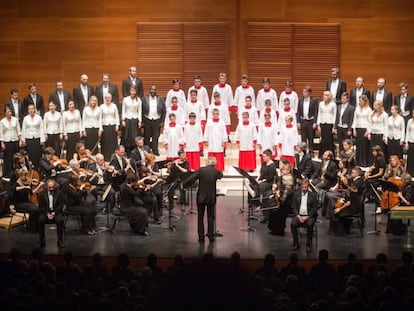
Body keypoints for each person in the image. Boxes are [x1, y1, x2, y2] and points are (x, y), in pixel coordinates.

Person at [183, 157, 223, 243]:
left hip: (201, 197)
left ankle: (201, 237)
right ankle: (211, 236)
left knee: (200, 217)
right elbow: (221, 176)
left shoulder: (201, 170)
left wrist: (185, 184)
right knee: (211, 217)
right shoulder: (216, 171)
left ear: (208, 162)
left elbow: (192, 178)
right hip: (211, 197)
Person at [268, 159, 295, 236]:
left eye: (283, 170)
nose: (281, 171)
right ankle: (275, 229)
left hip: (287, 203)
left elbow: (286, 193)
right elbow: (281, 189)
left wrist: (280, 201)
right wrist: (275, 191)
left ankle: (279, 230)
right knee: (273, 209)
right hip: (283, 200)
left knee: (277, 212)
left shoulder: (288, 178)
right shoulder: (284, 177)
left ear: (287, 171)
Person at [291, 178, 318, 252]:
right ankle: (296, 243)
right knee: (293, 224)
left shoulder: (313, 195)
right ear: (301, 186)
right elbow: (294, 206)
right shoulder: (296, 194)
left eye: (306, 187)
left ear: (308, 186)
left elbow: (314, 208)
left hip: (309, 216)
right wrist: (298, 216)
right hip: (299, 215)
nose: (304, 188)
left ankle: (308, 244)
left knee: (310, 224)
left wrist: (308, 216)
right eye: (303, 187)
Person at [10, 168, 41, 233]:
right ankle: (31, 228)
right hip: (19, 204)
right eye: (24, 175)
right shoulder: (16, 184)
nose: (26, 177)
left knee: (37, 208)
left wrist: (39, 185)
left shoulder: (25, 183)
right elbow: (14, 189)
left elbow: (32, 193)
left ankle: (36, 227)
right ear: (20, 176)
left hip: (27, 202)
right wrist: (24, 187)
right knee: (33, 209)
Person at [38, 179, 66, 248]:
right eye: (49, 187)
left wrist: (53, 213)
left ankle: (60, 240)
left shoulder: (59, 193)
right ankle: (41, 240)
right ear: (46, 187)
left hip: (56, 211)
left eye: (52, 187)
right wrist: (47, 214)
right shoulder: (41, 194)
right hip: (46, 212)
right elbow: (41, 207)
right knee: (40, 220)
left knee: (60, 220)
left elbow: (60, 205)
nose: (51, 189)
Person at [142, 85, 166, 156]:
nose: (153, 91)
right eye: (152, 89)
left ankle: (155, 150)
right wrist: (142, 121)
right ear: (149, 90)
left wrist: (162, 121)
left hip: (157, 120)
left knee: (155, 136)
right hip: (147, 120)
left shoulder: (160, 99)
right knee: (147, 136)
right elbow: (141, 111)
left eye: (154, 89)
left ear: (156, 91)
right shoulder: (144, 99)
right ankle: (147, 151)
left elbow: (164, 111)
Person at [255, 149, 277, 223]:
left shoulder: (272, 166)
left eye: (264, 156)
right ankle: (255, 203)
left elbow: (270, 177)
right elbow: (261, 173)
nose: (263, 158)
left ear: (269, 157)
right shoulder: (263, 163)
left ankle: (261, 206)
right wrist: (257, 179)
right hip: (263, 180)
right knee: (252, 184)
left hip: (269, 182)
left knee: (260, 186)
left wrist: (261, 181)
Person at [21, 103, 45, 169]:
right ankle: (30, 170)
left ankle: (37, 169)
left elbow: (42, 129)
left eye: (32, 109)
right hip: (29, 139)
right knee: (30, 155)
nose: (31, 110)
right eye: (29, 109)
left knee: (37, 155)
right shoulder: (25, 118)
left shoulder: (39, 117)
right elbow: (23, 129)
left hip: (37, 138)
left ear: (34, 110)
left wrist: (42, 139)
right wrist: (23, 140)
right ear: (28, 110)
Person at [297, 85, 318, 156]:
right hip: (303, 120)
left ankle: (311, 151)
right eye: (303, 92)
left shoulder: (314, 100)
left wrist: (315, 122)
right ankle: (304, 151)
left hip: (310, 121)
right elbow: (298, 111)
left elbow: (316, 112)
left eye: (305, 92)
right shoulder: (300, 100)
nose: (304, 93)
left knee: (310, 137)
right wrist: (298, 122)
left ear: (309, 93)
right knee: (303, 137)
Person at [0, 106, 21, 177]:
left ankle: (16, 173)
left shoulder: (15, 119)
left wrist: (20, 139)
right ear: (5, 113)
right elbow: (1, 133)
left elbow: (18, 130)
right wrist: (2, 143)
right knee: (8, 158)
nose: (9, 113)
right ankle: (7, 174)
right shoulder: (2, 121)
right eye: (8, 112)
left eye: (10, 112)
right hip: (7, 141)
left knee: (15, 158)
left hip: (15, 140)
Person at [352, 94, 372, 167]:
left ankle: (364, 162)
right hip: (358, 128)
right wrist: (354, 129)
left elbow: (370, 121)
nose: (359, 102)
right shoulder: (357, 108)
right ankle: (358, 162)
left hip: (365, 129)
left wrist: (368, 131)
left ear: (365, 101)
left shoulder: (369, 109)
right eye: (359, 101)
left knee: (364, 146)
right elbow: (355, 119)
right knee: (358, 145)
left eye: (360, 101)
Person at [121, 85, 142, 154]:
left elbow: (139, 111)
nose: (133, 92)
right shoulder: (125, 99)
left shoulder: (138, 100)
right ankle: (127, 151)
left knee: (134, 136)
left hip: (135, 120)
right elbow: (123, 110)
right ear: (129, 91)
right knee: (127, 136)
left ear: (136, 92)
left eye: (134, 91)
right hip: (127, 119)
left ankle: (134, 152)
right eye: (131, 90)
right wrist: (123, 120)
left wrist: (140, 121)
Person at [100, 93, 120, 160]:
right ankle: (106, 157)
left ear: (111, 98)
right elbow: (100, 118)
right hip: (105, 126)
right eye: (106, 97)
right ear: (104, 98)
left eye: (109, 97)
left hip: (113, 126)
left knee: (113, 143)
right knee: (105, 142)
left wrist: (117, 125)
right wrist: (100, 128)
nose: (108, 99)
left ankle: (114, 157)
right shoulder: (101, 106)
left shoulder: (114, 106)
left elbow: (117, 116)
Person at [317, 91, 337, 156]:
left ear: (329, 97)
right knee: (323, 139)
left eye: (326, 95)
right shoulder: (321, 104)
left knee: (329, 140)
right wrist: (318, 124)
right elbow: (319, 114)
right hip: (322, 123)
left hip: (330, 124)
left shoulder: (333, 104)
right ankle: (322, 154)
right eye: (323, 95)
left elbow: (335, 115)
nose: (324, 96)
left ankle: (330, 154)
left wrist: (334, 126)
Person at [405, 109, 414, 175]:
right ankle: (410, 172)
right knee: (410, 157)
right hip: (410, 141)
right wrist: (406, 142)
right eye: (413, 113)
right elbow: (407, 132)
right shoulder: (410, 121)